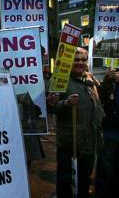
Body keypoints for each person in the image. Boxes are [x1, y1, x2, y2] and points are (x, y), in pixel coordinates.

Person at [50, 47, 104, 198]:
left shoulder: (90, 79)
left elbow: (101, 103)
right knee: (66, 181)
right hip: (69, 142)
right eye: (76, 59)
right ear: (69, 61)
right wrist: (65, 103)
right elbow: (52, 107)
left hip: (89, 142)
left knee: (84, 180)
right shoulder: (59, 79)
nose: (80, 62)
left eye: (83, 59)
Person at [95, 68, 119, 197]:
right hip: (110, 129)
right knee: (105, 163)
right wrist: (108, 80)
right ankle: (102, 192)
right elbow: (102, 99)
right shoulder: (111, 78)